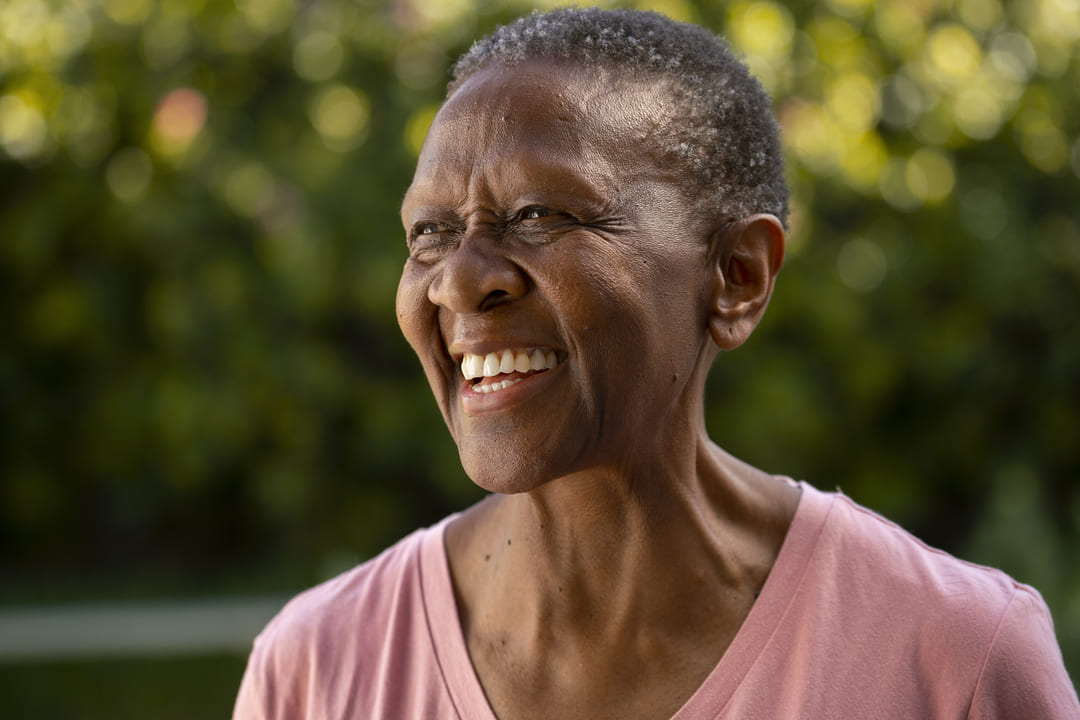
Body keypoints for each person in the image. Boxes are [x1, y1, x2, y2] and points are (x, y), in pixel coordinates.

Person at [233, 8, 1079, 719]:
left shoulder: (953, 658)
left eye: (539, 214)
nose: (458, 280)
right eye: (431, 232)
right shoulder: (316, 671)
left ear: (737, 276)